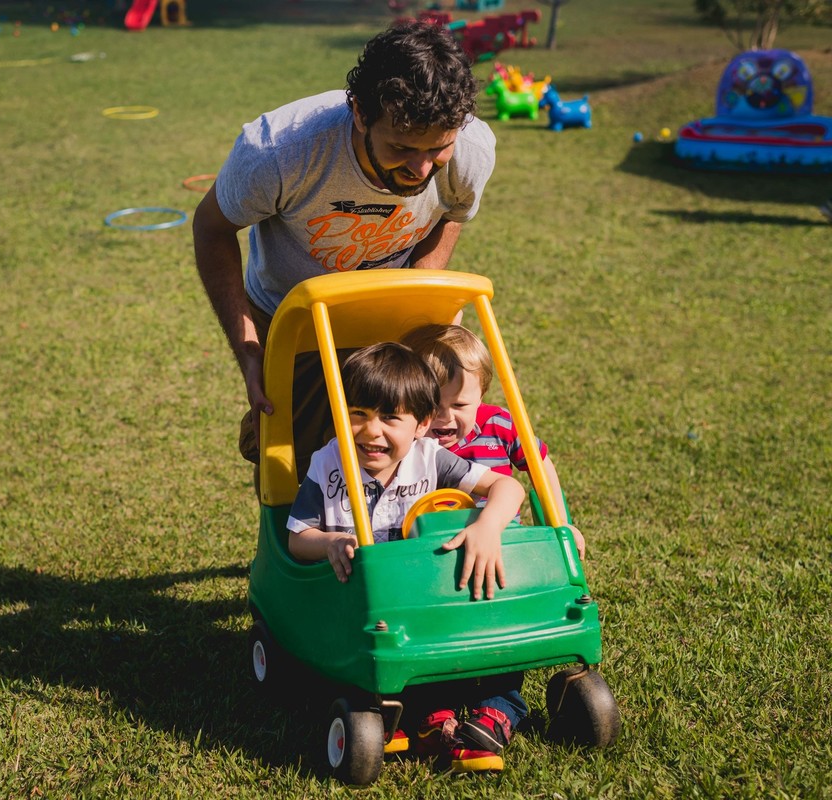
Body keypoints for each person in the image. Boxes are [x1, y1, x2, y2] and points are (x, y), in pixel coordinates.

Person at [192, 21, 497, 475]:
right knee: (294, 465)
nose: (420, 168)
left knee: (399, 454)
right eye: (401, 147)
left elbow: (451, 211)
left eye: (438, 149)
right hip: (290, 316)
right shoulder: (279, 151)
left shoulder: (471, 150)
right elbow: (212, 227)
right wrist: (251, 351)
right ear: (359, 113)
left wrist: (420, 309)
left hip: (388, 315)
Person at [284, 342, 528, 773]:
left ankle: (487, 713)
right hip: (363, 605)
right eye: (357, 414)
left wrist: (487, 527)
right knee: (385, 658)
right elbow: (296, 537)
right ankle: (427, 714)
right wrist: (328, 542)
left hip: (423, 594)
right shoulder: (328, 462)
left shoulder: (430, 458)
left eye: (390, 417)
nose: (370, 431)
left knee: (487, 632)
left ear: (422, 424)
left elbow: (510, 488)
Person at [400, 323, 586, 559]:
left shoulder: (499, 424)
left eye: (459, 405)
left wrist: (559, 521)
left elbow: (539, 463)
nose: (445, 417)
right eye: (432, 405)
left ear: (481, 396)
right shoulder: (405, 438)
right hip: (430, 550)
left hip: (502, 540)